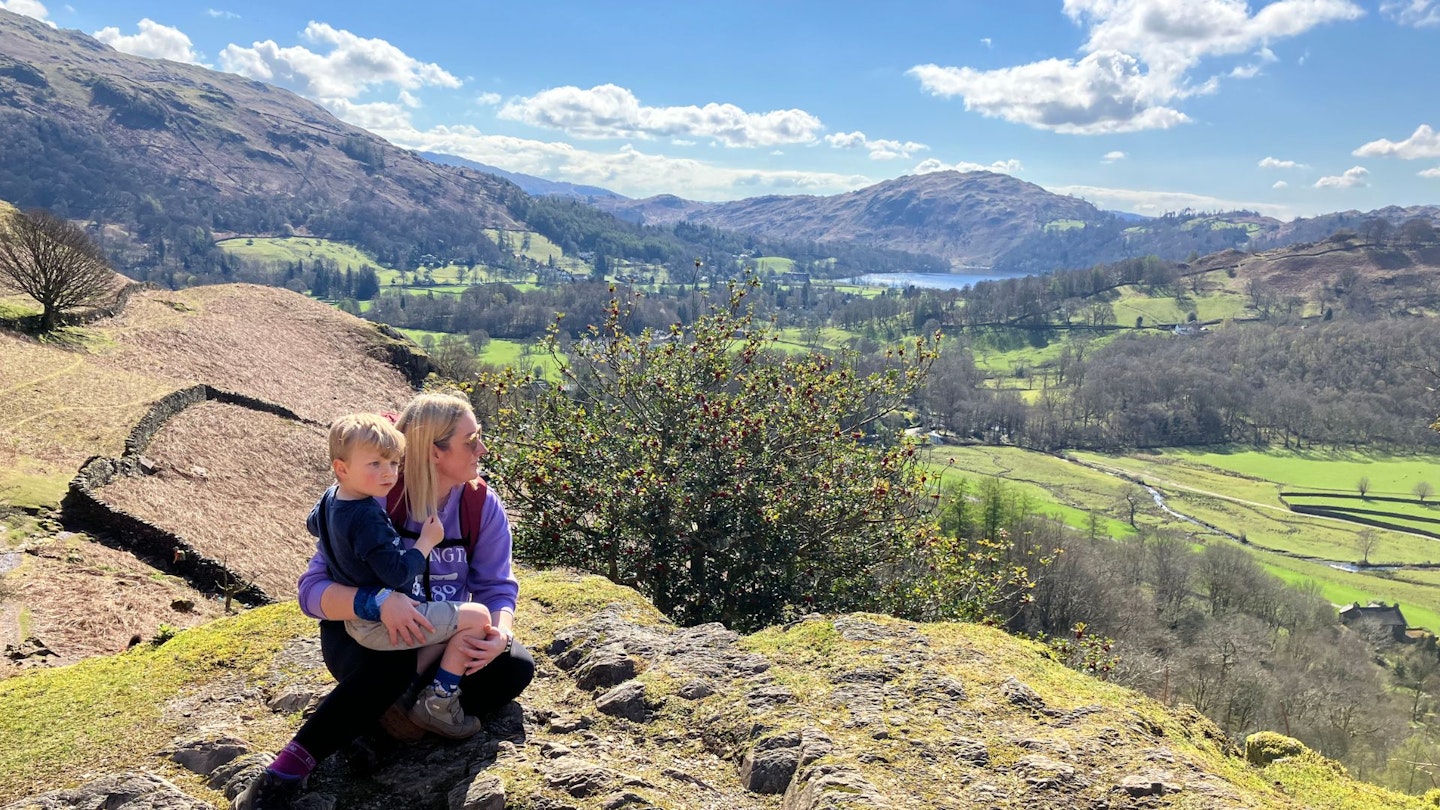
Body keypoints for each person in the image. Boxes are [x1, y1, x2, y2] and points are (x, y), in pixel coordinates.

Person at [234, 393, 534, 810]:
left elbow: (497, 587)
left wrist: (499, 633)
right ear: (435, 451)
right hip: (365, 637)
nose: (482, 449)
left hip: (440, 638)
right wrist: (376, 603)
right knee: (389, 668)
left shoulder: (479, 504)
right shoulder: (372, 497)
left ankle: (384, 719)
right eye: (472, 440)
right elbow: (311, 591)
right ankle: (286, 770)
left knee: (514, 667)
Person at [307, 413, 493, 739]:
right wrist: (424, 544)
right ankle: (437, 703)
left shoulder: (336, 499)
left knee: (511, 665)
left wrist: (501, 635)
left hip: (397, 620)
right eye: (377, 464)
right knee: (476, 618)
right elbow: (393, 574)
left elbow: (313, 524)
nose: (389, 473)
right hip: (380, 622)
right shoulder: (370, 506)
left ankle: (398, 701)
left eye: (394, 463)